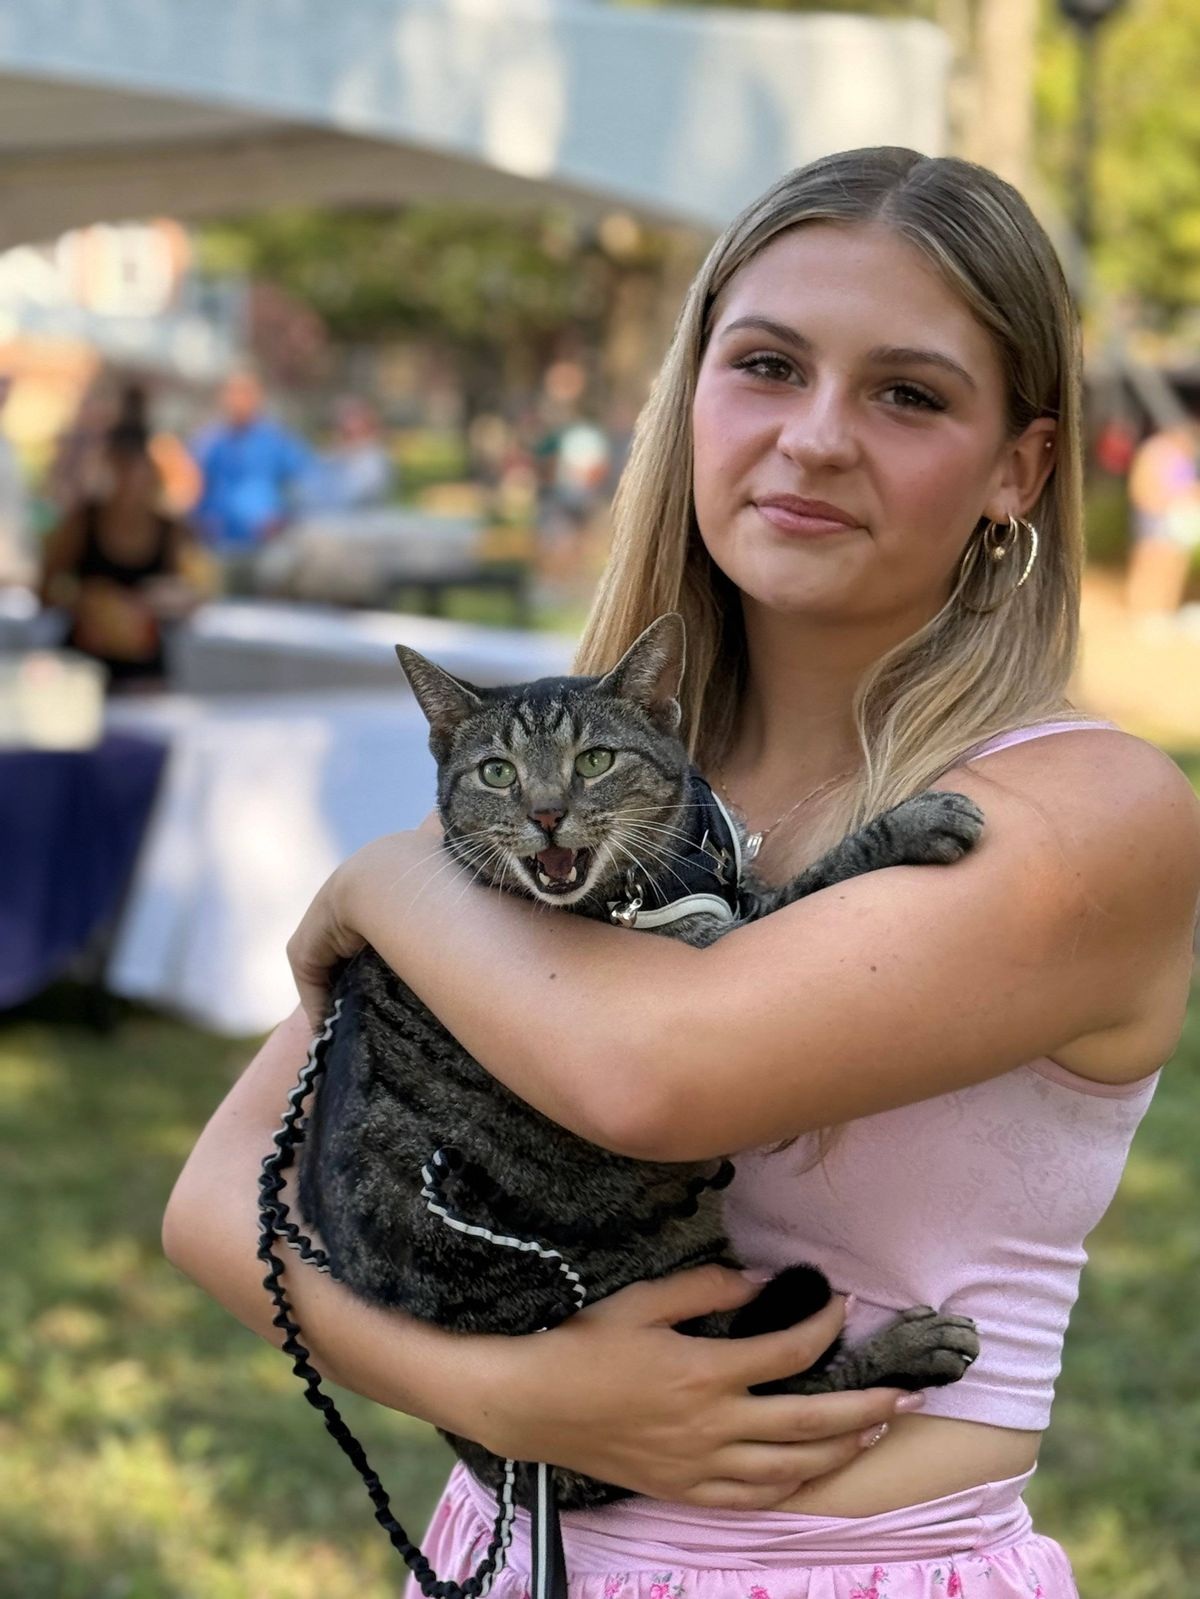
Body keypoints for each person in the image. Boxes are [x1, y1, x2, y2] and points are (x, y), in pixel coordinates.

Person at [163, 149, 1200, 1597]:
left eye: (907, 392)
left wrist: (376, 886)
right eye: (768, 363)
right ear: (692, 395)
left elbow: (656, 1079)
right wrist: (502, 1395)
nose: (817, 436)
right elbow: (215, 1199)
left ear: (1019, 468)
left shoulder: (1091, 808)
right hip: (505, 1554)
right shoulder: (582, 785)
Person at [40, 386, 202, 689]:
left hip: (144, 674)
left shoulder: (170, 530)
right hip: (81, 670)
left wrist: (161, 603)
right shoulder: (82, 521)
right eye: (122, 468)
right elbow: (44, 591)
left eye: (137, 470)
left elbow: (194, 597)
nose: (129, 482)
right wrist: (85, 602)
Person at [189, 370, 312, 563]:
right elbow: (191, 486)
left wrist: (282, 517)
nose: (239, 400)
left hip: (265, 545)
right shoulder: (210, 442)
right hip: (218, 545)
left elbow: (306, 481)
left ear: (258, 397)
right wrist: (201, 518)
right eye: (233, 393)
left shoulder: (275, 440)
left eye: (245, 393)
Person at [1123, 419, 1200, 627]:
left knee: (1173, 564)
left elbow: (1188, 486)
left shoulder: (1183, 457)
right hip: (1153, 514)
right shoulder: (1153, 452)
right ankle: (1140, 611)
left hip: (1175, 517)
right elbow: (1140, 485)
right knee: (1149, 563)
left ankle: (1164, 610)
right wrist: (1155, 503)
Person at [297, 395, 394, 513]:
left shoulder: (376, 460)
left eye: (354, 418)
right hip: (321, 521)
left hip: (360, 525)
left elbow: (354, 495)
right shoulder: (328, 455)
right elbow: (305, 490)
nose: (347, 425)